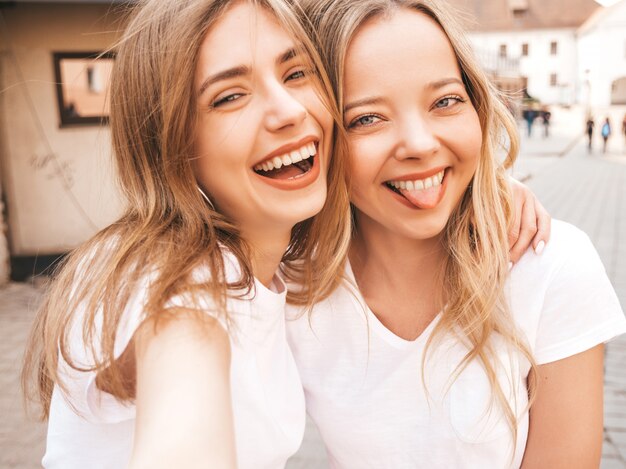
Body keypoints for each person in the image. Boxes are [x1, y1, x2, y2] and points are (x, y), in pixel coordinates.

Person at [287, 1, 626, 468]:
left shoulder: (548, 266)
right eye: (367, 118)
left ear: (478, 107)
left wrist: (486, 183)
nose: (421, 144)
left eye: (445, 101)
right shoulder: (290, 287)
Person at [21, 0, 352, 468]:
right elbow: (181, 347)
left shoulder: (278, 271)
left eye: (296, 73)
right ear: (172, 146)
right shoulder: (158, 274)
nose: (288, 110)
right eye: (229, 97)